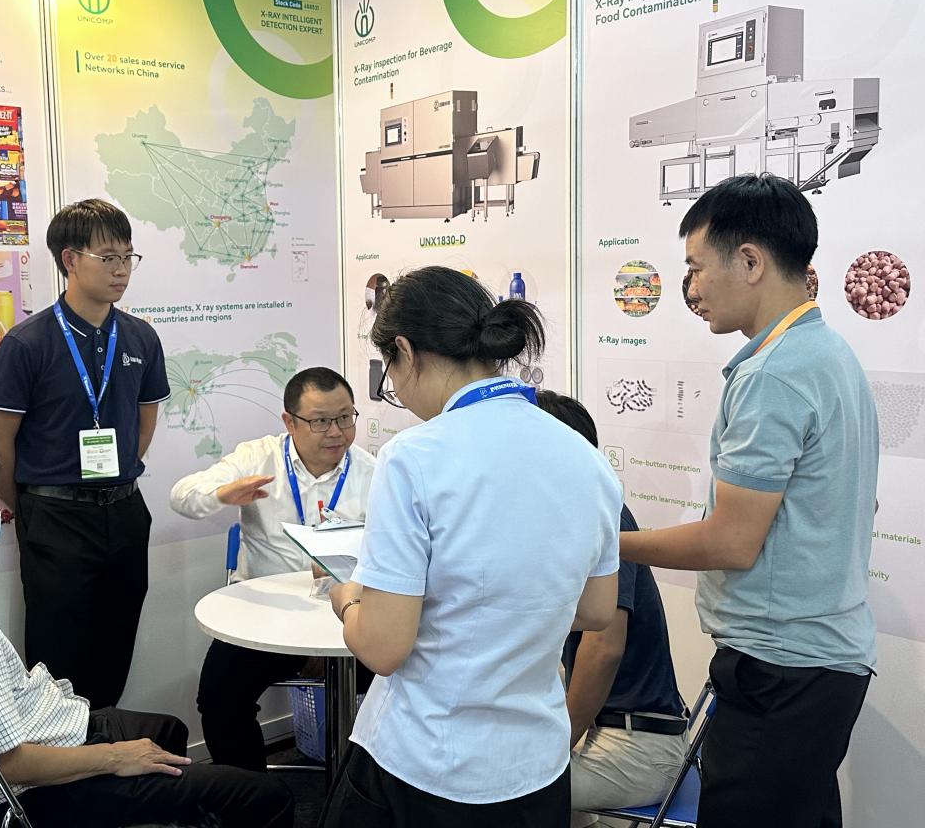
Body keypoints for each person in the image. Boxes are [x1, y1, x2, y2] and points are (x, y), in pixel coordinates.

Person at [321, 266, 623, 828]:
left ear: (404, 352)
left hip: (427, 762)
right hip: (535, 767)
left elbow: (384, 648)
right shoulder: (586, 458)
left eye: (389, 373)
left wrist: (347, 600)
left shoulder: (414, 457)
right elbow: (596, 609)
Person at [620, 174, 878, 828]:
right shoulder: (828, 355)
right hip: (819, 664)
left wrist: (603, 544)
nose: (691, 289)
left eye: (696, 268)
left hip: (780, 670)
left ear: (751, 261)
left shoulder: (777, 373)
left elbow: (732, 542)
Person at [0, 438, 294, 828]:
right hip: (39, 791)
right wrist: (115, 758)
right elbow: (8, 763)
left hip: (47, 728)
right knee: (267, 797)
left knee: (168, 731)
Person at [0, 198, 170, 708]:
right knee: (56, 662)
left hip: (125, 512)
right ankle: (61, 757)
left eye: (128, 257)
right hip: (54, 517)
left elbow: (145, 419)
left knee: (116, 648)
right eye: (108, 257)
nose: (121, 270)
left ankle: (107, 747)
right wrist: (29, 505)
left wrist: (117, 475)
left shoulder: (140, 337)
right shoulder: (27, 343)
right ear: (70, 259)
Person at [170, 367, 377, 771]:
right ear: (290, 421)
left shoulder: (374, 472)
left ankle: (366, 789)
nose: (336, 432)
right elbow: (182, 496)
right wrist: (221, 495)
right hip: (266, 619)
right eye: (320, 421)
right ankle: (251, 793)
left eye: (345, 417)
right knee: (219, 697)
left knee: (410, 677)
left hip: (348, 616)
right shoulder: (257, 457)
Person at [534, 392, 687, 827]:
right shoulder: (566, 517)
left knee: (500, 790)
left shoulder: (604, 516)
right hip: (608, 731)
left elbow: (604, 650)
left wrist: (557, 743)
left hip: (637, 745)